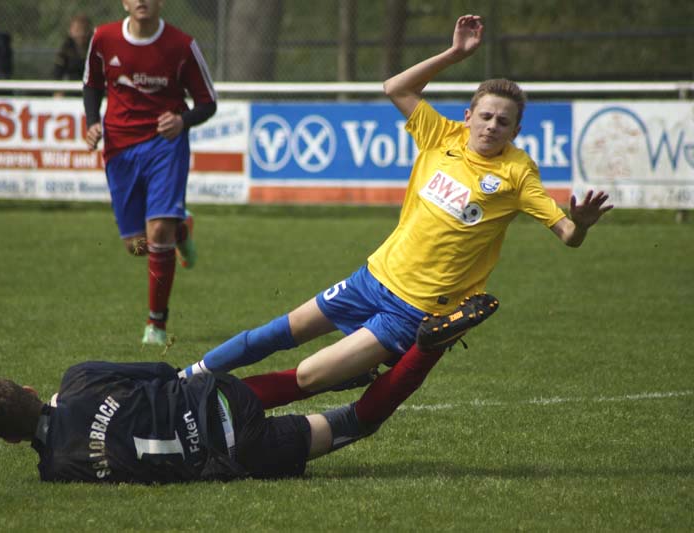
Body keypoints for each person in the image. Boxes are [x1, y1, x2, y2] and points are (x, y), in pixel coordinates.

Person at [177, 15, 613, 418]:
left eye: (504, 121)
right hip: (372, 277)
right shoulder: (443, 134)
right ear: (468, 116)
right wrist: (456, 55)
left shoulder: (518, 173)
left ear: (515, 131)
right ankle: (187, 380)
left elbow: (567, 233)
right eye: (485, 115)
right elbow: (395, 87)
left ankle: (212, 412)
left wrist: (583, 224)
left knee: (310, 375)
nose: (492, 125)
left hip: (412, 311)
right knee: (273, 334)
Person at [0, 304, 481, 483]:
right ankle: (346, 368)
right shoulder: (80, 378)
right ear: (33, 389)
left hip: (234, 453)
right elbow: (160, 371)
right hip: (217, 399)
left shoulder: (56, 470)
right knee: (284, 384)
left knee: (355, 423)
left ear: (13, 442)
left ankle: (428, 345)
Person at [83, 0, 217, 346]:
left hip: (165, 145)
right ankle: (182, 229)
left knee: (157, 231)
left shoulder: (182, 45)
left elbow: (208, 102)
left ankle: (155, 324)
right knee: (136, 245)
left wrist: (181, 121)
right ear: (125, 2)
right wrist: (93, 123)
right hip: (120, 149)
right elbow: (92, 86)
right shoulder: (103, 38)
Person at [52, 13, 93, 96]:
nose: (81, 34)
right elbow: (57, 73)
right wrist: (58, 91)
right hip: (70, 89)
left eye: (84, 30)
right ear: (70, 31)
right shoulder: (65, 49)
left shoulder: (94, 47)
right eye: (77, 30)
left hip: (90, 88)